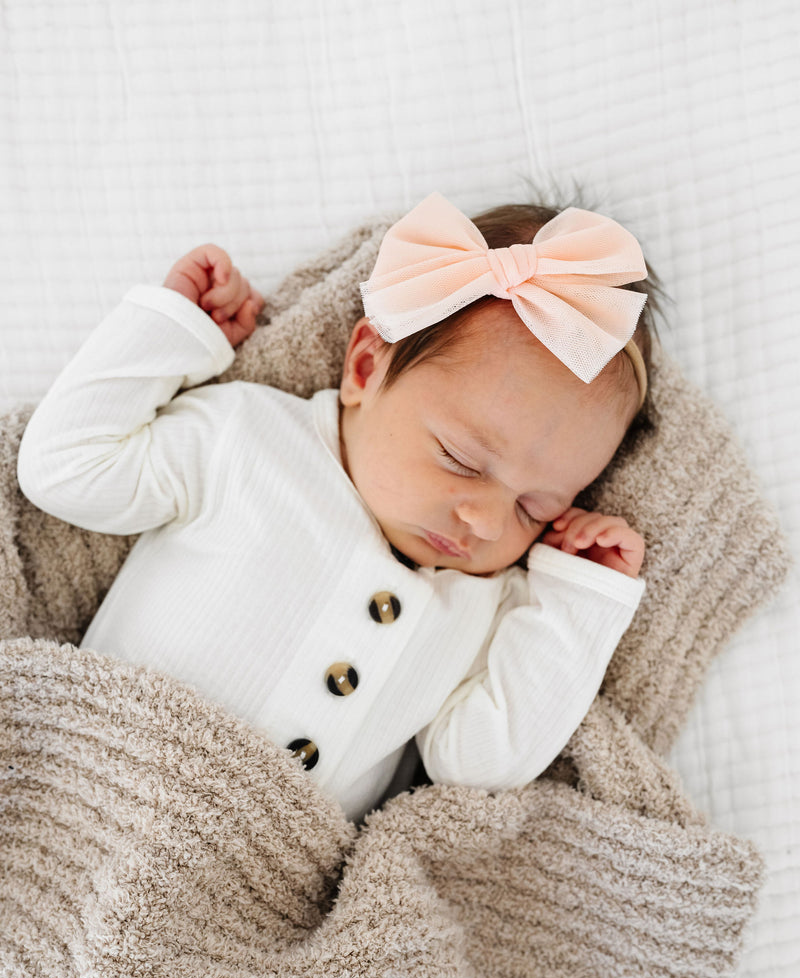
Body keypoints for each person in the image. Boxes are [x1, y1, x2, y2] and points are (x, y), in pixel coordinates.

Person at [16, 192, 661, 824]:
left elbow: (480, 764)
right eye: (461, 461)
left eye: (535, 508)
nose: (487, 522)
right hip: (88, 798)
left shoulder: (482, 606)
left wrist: (576, 604)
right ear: (364, 367)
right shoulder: (249, 441)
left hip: (250, 899)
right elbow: (65, 468)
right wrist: (179, 330)